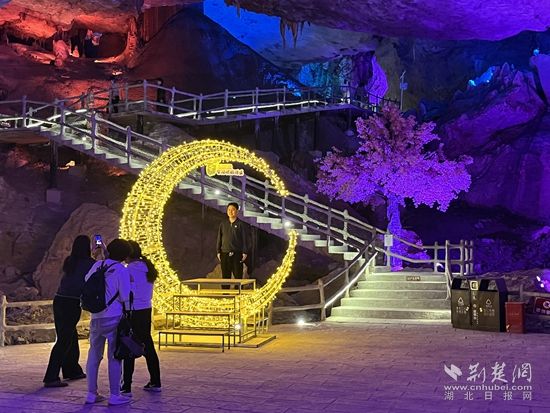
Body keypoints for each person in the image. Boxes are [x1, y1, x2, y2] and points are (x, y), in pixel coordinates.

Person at [43, 235, 96, 387]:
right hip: (72, 302)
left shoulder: (70, 261)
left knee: (70, 335)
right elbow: (100, 271)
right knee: (64, 339)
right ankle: (51, 377)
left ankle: (72, 369)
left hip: (59, 300)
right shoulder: (90, 263)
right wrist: (101, 253)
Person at [84, 239, 132, 406]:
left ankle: (91, 394)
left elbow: (86, 281)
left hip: (96, 316)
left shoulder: (97, 265)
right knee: (114, 356)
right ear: (125, 255)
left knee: (94, 355)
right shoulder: (121, 269)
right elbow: (125, 296)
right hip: (113, 316)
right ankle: (114, 395)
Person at [121, 240, 161, 396]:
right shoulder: (147, 267)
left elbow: (125, 291)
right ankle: (155, 380)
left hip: (133, 311)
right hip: (146, 309)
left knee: (129, 345)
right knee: (148, 345)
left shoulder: (128, 270)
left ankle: (126, 385)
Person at [216, 202, 250, 287]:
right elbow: (219, 238)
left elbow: (245, 239)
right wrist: (218, 251)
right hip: (224, 253)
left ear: (237, 211)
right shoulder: (223, 224)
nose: (231, 212)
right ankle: (225, 294)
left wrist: (245, 252)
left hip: (237, 254)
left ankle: (238, 293)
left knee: (238, 276)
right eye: (229, 210)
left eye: (233, 210)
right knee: (225, 276)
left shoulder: (241, 224)